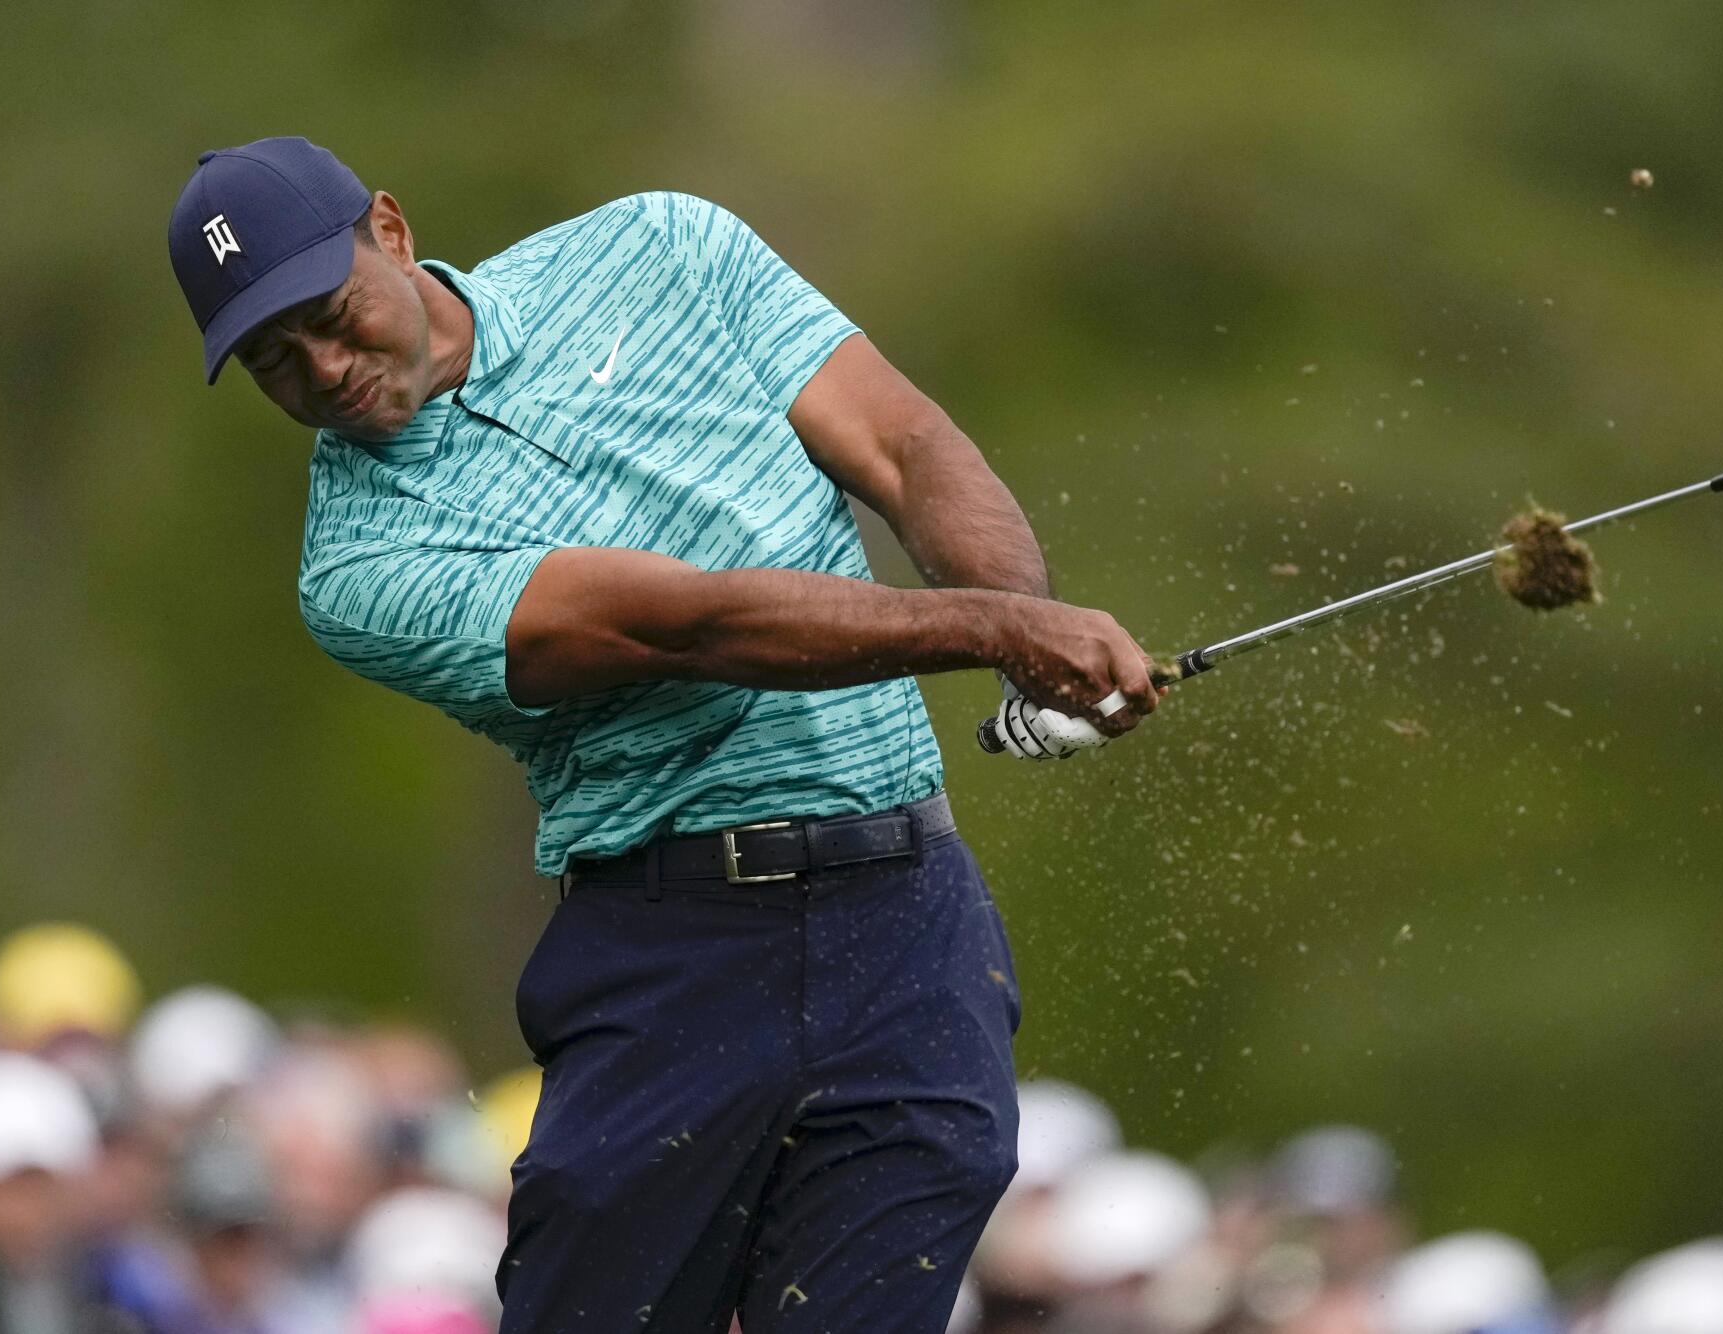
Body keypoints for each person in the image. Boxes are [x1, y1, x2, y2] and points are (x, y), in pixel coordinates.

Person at [166, 136, 1164, 1332]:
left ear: (389, 229)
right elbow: (692, 626)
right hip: (671, 962)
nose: (324, 368)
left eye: (331, 315)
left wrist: (1025, 628)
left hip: (907, 926)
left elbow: (901, 446)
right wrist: (997, 626)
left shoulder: (665, 247)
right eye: (276, 361)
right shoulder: (361, 568)